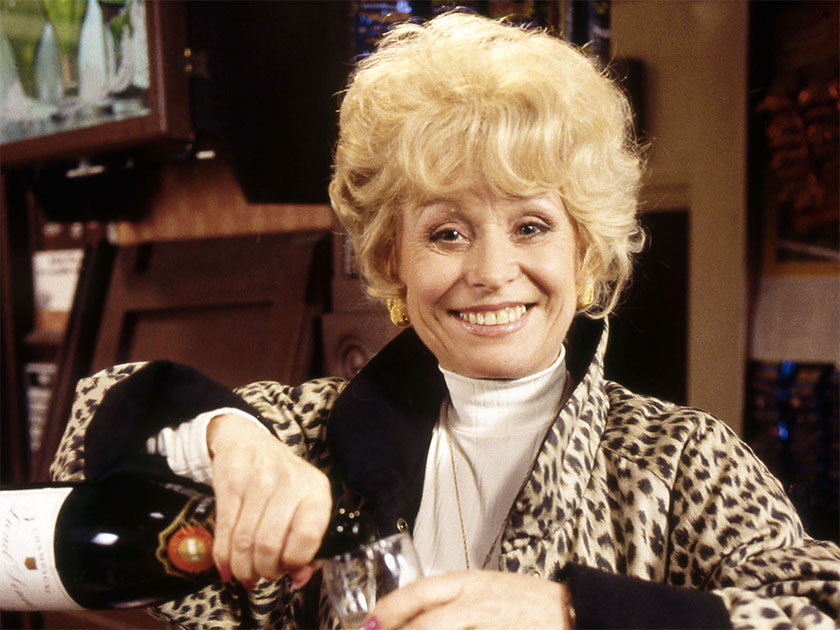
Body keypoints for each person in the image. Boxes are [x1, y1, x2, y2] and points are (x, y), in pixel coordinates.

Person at [51, 11, 839, 630]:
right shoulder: (305, 437)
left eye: (531, 226)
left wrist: (577, 613)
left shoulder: (684, 462)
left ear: (586, 250)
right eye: (448, 233)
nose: (491, 271)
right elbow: (78, 459)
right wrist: (226, 440)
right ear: (391, 257)